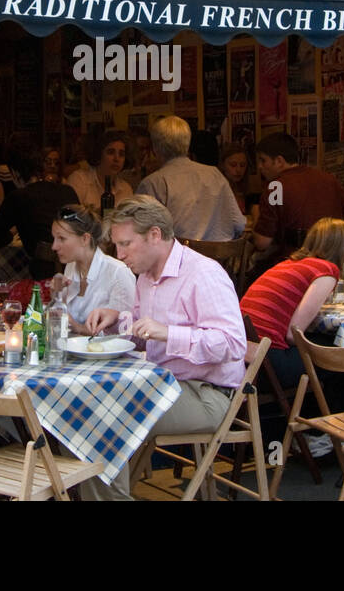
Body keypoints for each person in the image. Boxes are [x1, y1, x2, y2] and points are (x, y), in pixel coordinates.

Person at [81, 196, 248, 500]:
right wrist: (116, 320)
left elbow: (232, 344)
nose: (119, 255)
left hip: (208, 393)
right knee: (87, 407)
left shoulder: (203, 274)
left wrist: (169, 334)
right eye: (116, 246)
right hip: (165, 383)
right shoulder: (146, 275)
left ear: (155, 235)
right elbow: (141, 332)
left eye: (126, 244)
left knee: (101, 417)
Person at [241, 217, 344, 388]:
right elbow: (294, 334)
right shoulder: (327, 270)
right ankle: (335, 412)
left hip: (242, 357)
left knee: (327, 345)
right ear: (343, 248)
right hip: (267, 363)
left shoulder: (289, 264)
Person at [135, 116, 245, 242]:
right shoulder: (215, 174)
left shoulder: (153, 183)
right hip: (218, 260)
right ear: (187, 144)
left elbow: (142, 235)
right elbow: (239, 224)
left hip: (179, 260)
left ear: (155, 148)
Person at [251, 132, 344, 258]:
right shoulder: (327, 178)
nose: (259, 166)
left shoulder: (275, 187)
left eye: (263, 160)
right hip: (334, 261)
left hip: (297, 263)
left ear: (279, 161)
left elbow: (262, 242)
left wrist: (256, 216)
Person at [0, 142, 78, 279]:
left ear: (13, 172)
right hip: (78, 271)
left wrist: (12, 232)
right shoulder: (68, 191)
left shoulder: (18, 197)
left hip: (44, 276)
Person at [49, 204, 135, 333]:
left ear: (85, 239)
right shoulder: (71, 267)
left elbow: (124, 333)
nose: (54, 246)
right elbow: (64, 318)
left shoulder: (118, 273)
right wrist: (57, 296)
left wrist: (77, 328)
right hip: (74, 350)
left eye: (62, 238)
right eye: (54, 238)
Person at [65, 130, 134, 209]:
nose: (116, 158)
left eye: (121, 154)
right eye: (110, 152)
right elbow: (68, 216)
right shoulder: (79, 180)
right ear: (99, 155)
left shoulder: (126, 188)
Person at [218, 143, 258, 219]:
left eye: (242, 165)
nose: (238, 170)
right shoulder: (216, 191)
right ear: (223, 165)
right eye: (233, 165)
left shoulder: (249, 192)